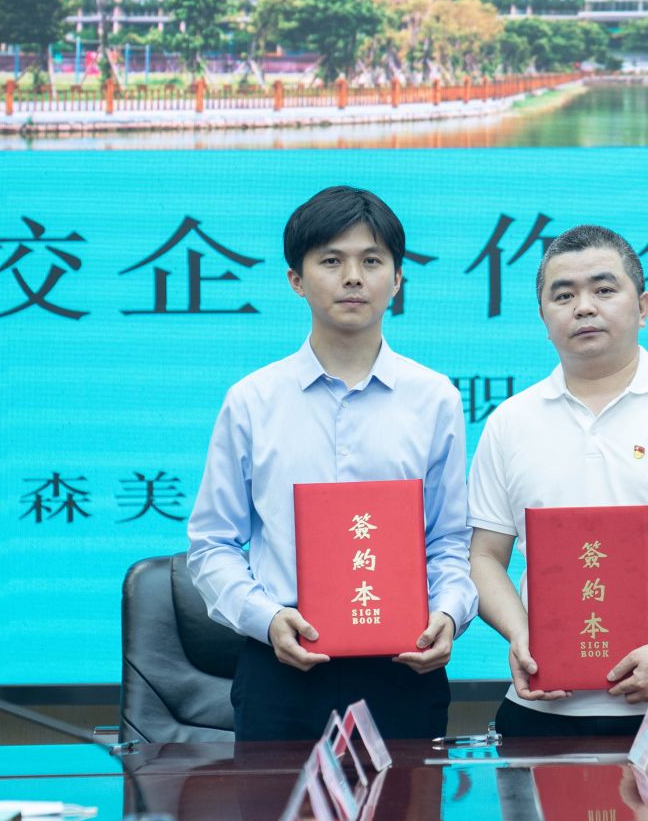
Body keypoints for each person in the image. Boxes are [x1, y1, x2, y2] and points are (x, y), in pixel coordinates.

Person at [188, 186, 475, 741]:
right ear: (296, 280)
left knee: (407, 803)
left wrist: (449, 612)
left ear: (398, 279)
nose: (353, 278)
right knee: (276, 804)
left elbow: (448, 540)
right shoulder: (252, 400)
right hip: (283, 667)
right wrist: (267, 618)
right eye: (331, 261)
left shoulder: (434, 397)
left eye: (372, 261)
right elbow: (211, 543)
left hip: (403, 667)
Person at [467, 224, 648, 737]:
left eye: (604, 289)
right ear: (543, 318)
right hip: (543, 710)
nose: (584, 307)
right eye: (564, 295)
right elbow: (484, 557)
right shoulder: (510, 422)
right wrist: (520, 635)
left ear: (642, 307)